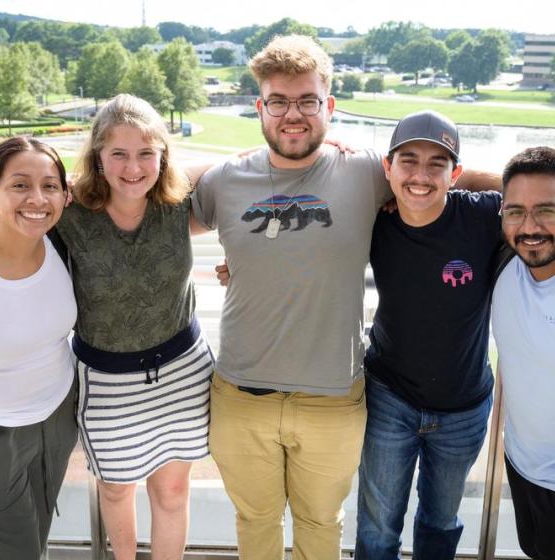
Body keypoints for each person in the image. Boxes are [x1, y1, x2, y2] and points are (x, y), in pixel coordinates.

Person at [193, 36, 497, 560]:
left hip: (332, 399)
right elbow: (152, 217)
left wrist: (528, 193)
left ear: (328, 106)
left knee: (323, 529)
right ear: (259, 107)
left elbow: (438, 181)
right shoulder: (224, 179)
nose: (294, 114)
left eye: (307, 101)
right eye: (279, 102)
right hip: (241, 395)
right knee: (255, 526)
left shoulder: (364, 172)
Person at [55, 94, 214, 560]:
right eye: (118, 153)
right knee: (117, 492)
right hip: (106, 380)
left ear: (163, 155)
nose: (133, 167)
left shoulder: (176, 201)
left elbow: (253, 164)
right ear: (98, 158)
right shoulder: (68, 210)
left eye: (146, 152)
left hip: (184, 373)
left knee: (171, 494)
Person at [355, 110, 502, 560]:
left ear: (456, 173)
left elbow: (536, 189)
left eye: (437, 164)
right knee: (378, 527)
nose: (420, 176)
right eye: (408, 162)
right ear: (387, 168)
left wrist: (459, 179)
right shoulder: (373, 219)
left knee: (440, 524)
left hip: (464, 406)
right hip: (389, 398)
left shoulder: (484, 217)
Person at [0, 137, 78, 559]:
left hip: (57, 415)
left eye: (49, 186)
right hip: (0, 430)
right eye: (19, 185)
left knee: (39, 533)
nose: (37, 199)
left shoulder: (59, 239)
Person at [492, 146, 555, 560]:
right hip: (522, 464)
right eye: (516, 211)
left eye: (547, 210)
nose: (530, 226)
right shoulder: (503, 262)